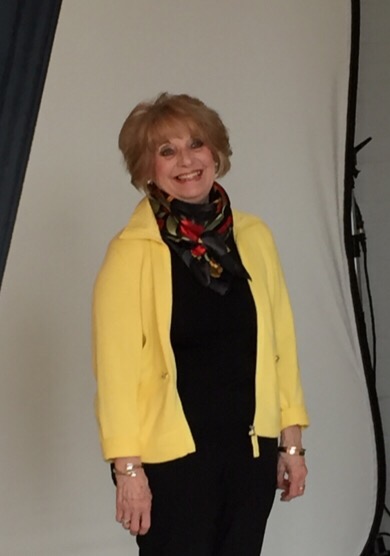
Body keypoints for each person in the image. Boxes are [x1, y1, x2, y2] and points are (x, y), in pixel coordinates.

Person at [93, 92, 309, 556]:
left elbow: (281, 344)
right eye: (166, 150)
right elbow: (115, 374)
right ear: (146, 167)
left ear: (216, 152)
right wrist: (128, 471)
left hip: (250, 453)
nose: (186, 161)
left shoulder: (254, 237)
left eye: (196, 144)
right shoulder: (130, 252)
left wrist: (291, 441)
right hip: (172, 462)